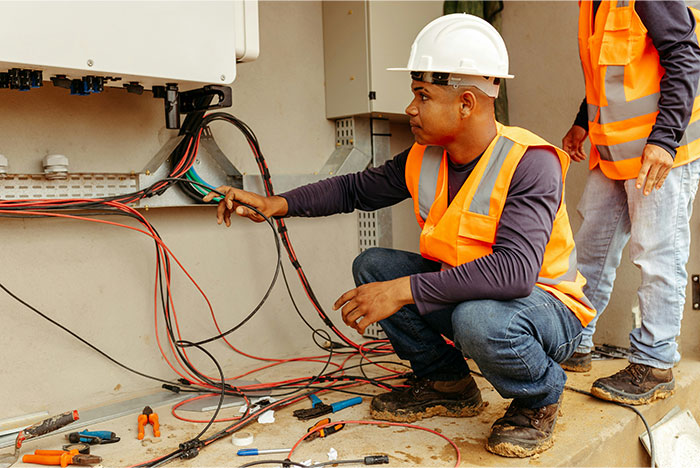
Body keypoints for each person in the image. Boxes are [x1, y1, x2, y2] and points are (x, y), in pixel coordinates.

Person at [205, 14, 594, 458]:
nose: (411, 107)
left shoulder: (530, 162)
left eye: (422, 95)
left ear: (466, 103)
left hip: (547, 311)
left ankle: (538, 399)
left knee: (477, 319)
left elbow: (515, 273)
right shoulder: (426, 157)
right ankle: (446, 382)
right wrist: (277, 204)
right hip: (474, 296)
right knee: (374, 267)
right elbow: (352, 189)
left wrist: (403, 291)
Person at [561, 0, 700, 405]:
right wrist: (582, 122)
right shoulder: (592, 3)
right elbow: (608, 77)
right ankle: (575, 340)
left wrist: (664, 140)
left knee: (657, 254)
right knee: (589, 251)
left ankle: (655, 363)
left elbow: (686, 55)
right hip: (614, 155)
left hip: (660, 155)